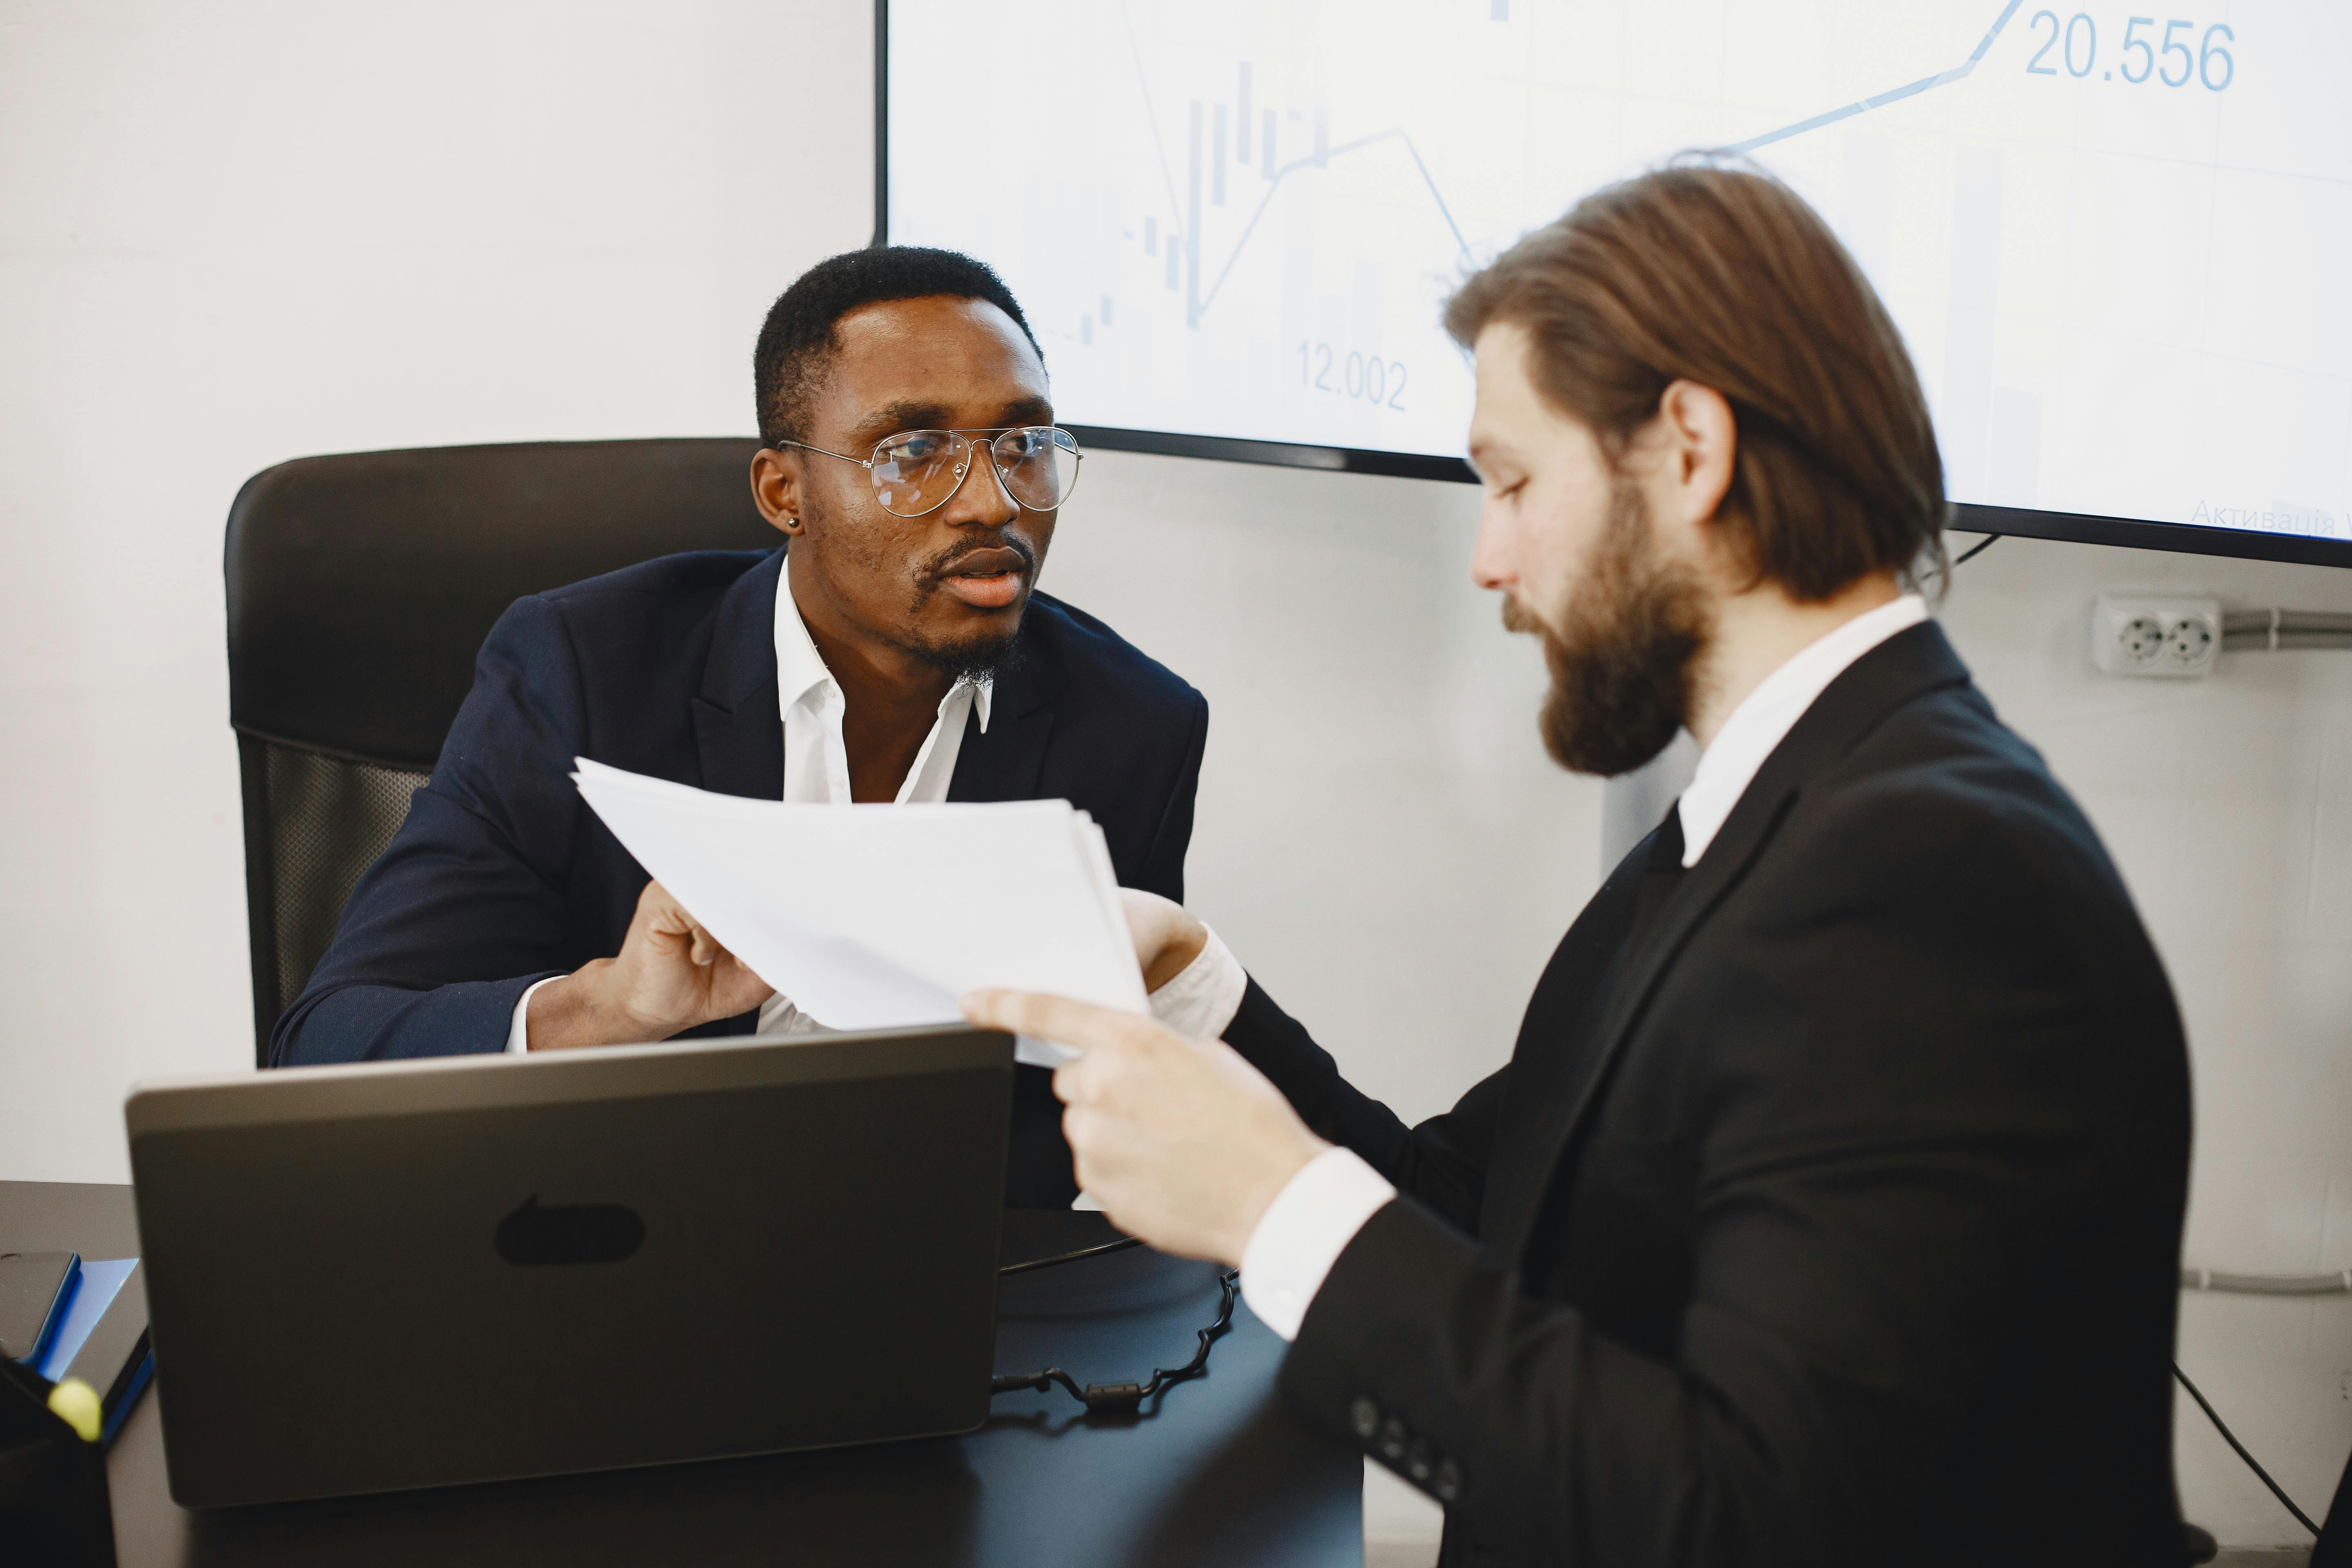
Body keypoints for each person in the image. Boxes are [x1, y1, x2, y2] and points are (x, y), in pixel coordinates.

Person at [968, 166, 2193, 1564]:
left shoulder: (1927, 880)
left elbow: (1751, 1514)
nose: (1488, 558)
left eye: (1511, 480)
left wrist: (1271, 1203)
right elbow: (1488, 1219)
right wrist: (1198, 984)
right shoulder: (1767, 823)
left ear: (1689, 449)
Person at [276, 247, 1212, 1206]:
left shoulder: (1134, 728)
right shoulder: (581, 673)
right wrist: (614, 1006)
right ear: (783, 493)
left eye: (1023, 444)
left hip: (959, 1273)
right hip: (629, 1243)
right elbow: (328, 1052)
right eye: (914, 452)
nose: (991, 500)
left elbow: (1086, 1101)